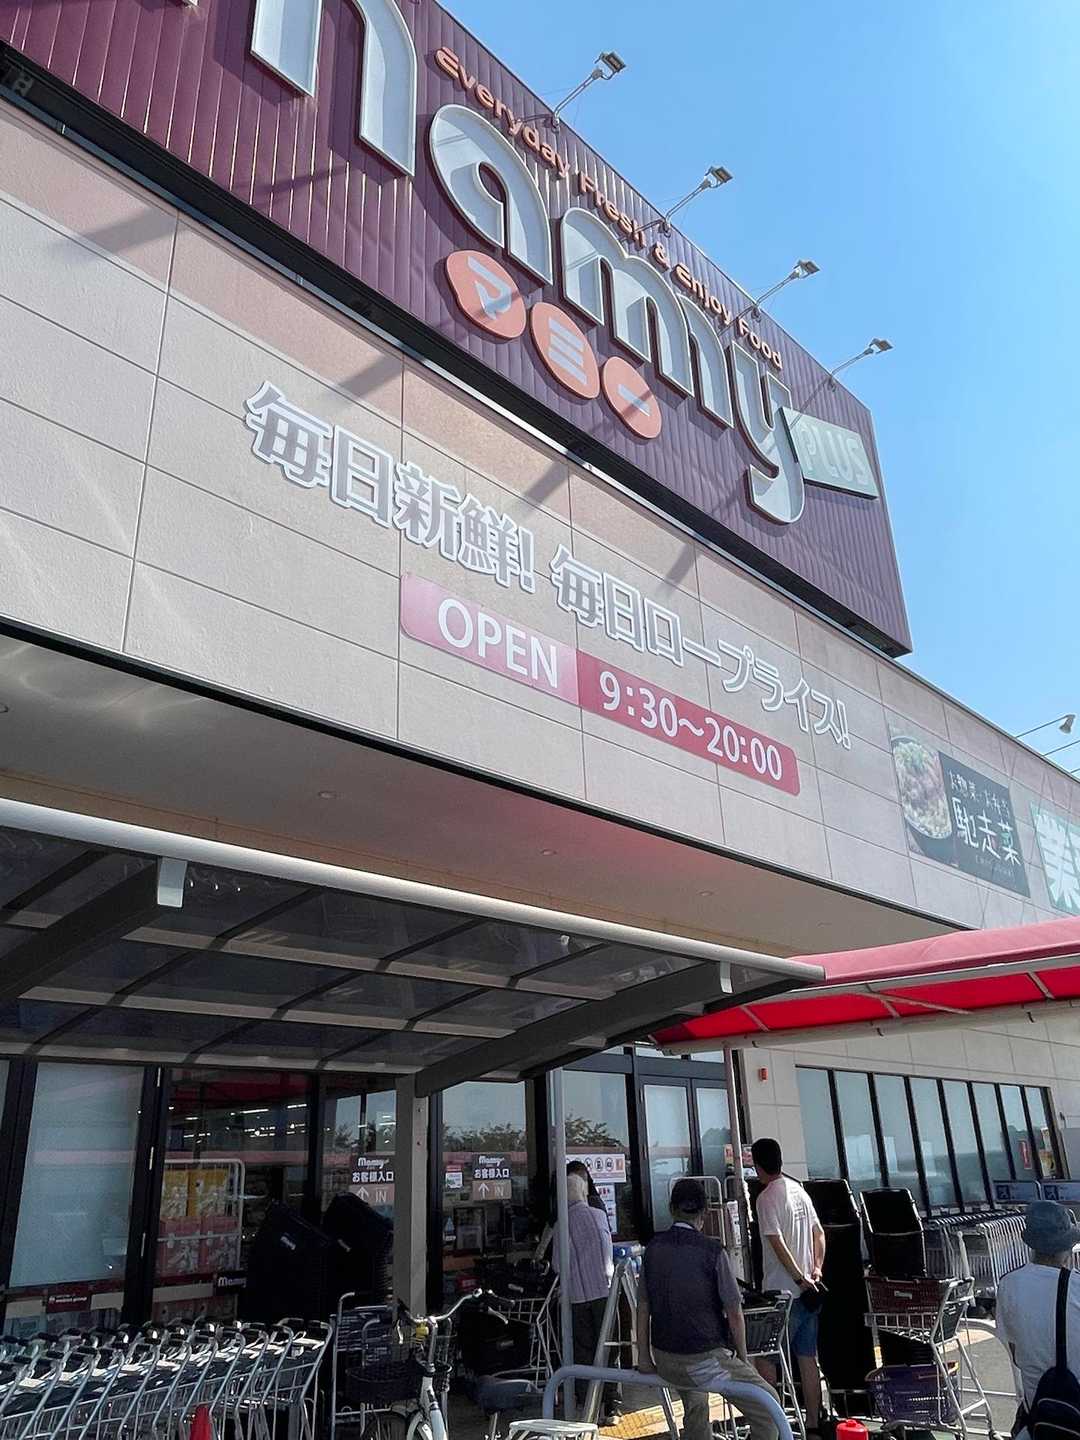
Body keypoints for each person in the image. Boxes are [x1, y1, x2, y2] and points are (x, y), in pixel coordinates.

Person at [637, 1177, 781, 1440]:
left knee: (696, 1404)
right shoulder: (712, 1251)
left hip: (664, 1358)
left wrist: (644, 1357)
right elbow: (735, 1313)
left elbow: (643, 1305)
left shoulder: (652, 1249)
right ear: (703, 1213)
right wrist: (743, 1360)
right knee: (768, 1404)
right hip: (703, 1358)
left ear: (671, 1209)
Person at [751, 1137, 827, 1436]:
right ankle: (813, 1423)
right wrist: (816, 1270)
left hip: (782, 1294)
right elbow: (819, 1233)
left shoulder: (766, 1198)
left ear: (757, 1165)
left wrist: (797, 1278)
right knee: (807, 1358)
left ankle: (774, 1426)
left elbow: (776, 1242)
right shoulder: (800, 1191)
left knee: (766, 1359)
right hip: (810, 1293)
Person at [997, 1200, 1080, 1436]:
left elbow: (1015, 1352)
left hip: (1039, 1416)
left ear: (1032, 1244)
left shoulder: (1009, 1285)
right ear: (1067, 1246)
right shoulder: (1076, 1286)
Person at [552, 1170, 616, 1412]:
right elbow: (608, 1253)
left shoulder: (561, 1223)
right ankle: (611, 1404)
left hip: (577, 1297)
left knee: (583, 1351)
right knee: (608, 1348)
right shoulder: (599, 1215)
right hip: (604, 1292)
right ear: (582, 1192)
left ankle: (587, 1404)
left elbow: (557, 1265)